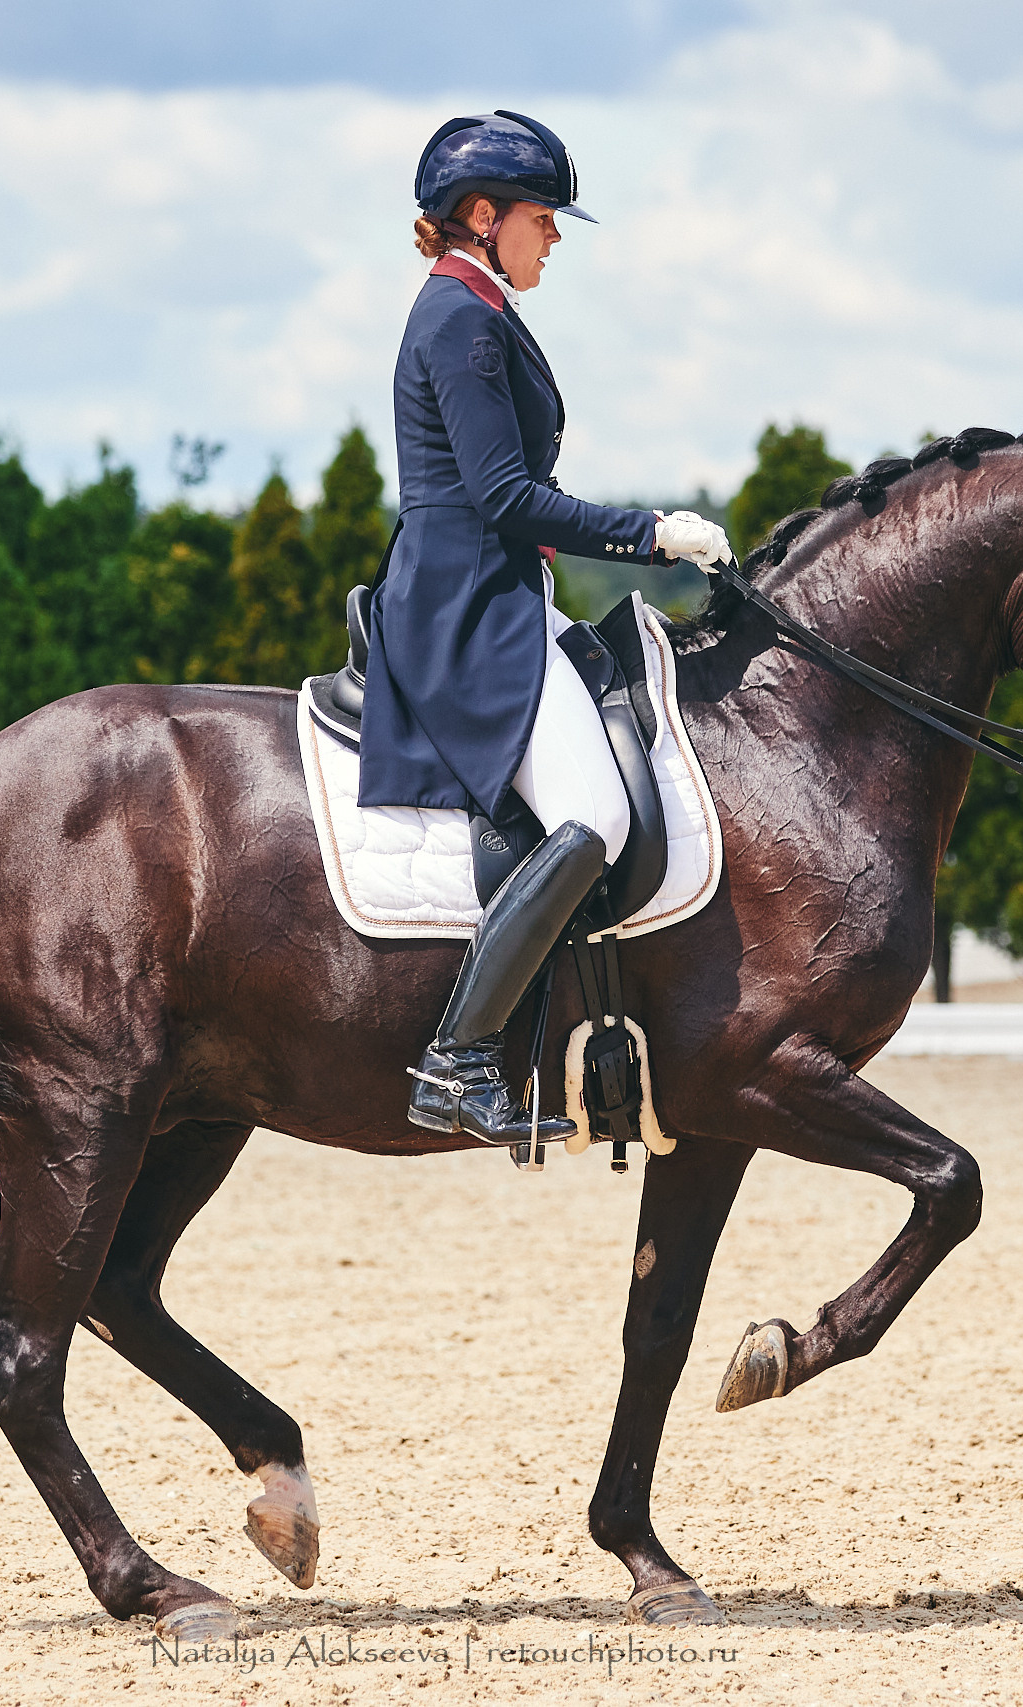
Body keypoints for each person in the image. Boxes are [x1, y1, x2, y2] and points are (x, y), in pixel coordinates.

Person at [359, 110, 731, 1144]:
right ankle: (458, 1058)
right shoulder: (461, 320)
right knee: (596, 816)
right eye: (542, 217)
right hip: (466, 611)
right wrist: (651, 534)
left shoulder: (475, 306)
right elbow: (508, 498)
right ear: (482, 217)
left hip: (498, 595)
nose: (555, 237)